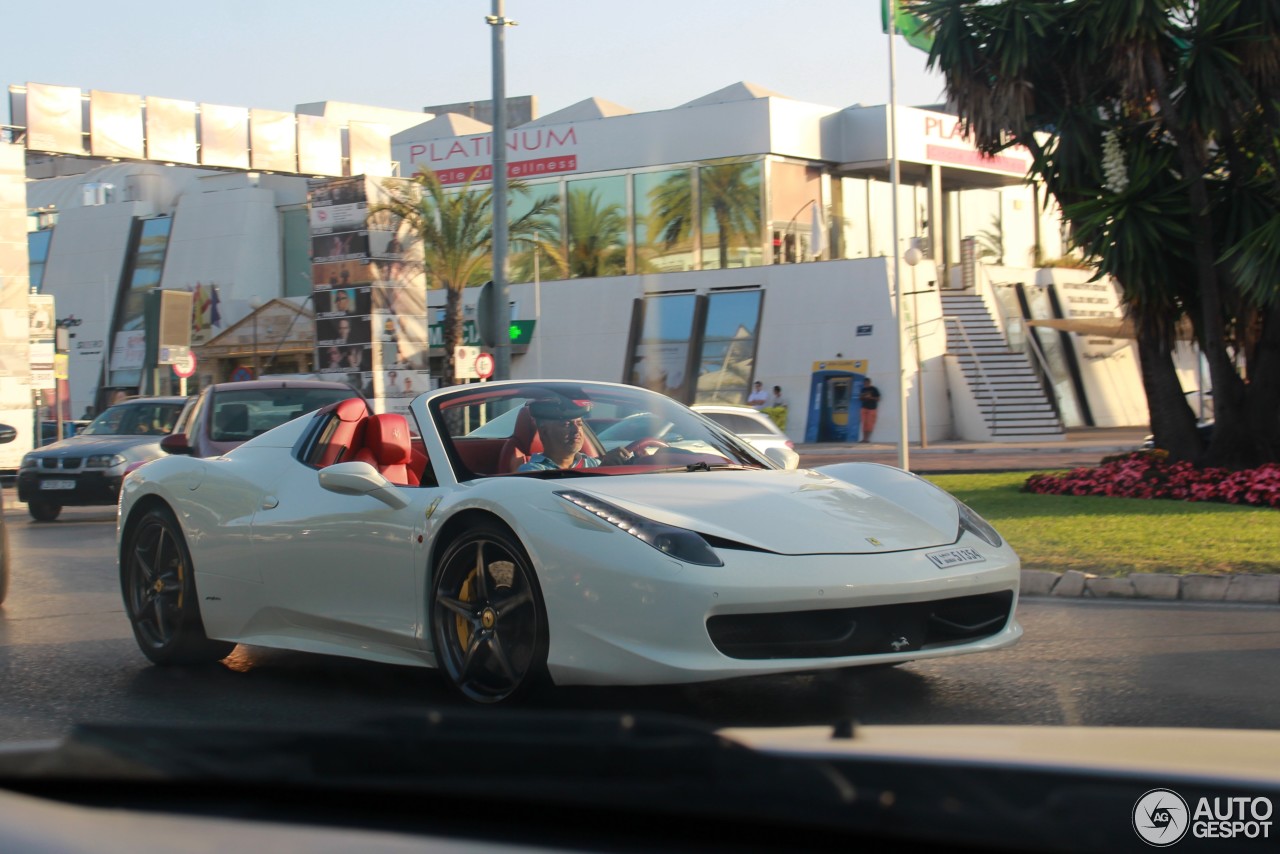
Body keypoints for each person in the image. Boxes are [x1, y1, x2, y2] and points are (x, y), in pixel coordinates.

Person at [518, 398, 633, 471]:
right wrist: (602, 471)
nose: (577, 430)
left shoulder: (593, 463)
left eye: (579, 423)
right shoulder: (532, 471)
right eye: (567, 425)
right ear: (544, 432)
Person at [859, 377, 881, 443]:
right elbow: (860, 398)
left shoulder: (874, 389)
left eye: (866, 383)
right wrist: (863, 397)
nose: (865, 384)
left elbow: (878, 399)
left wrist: (871, 397)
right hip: (864, 408)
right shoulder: (863, 389)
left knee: (870, 424)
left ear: (869, 382)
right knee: (864, 424)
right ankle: (864, 438)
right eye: (864, 383)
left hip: (872, 408)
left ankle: (867, 439)